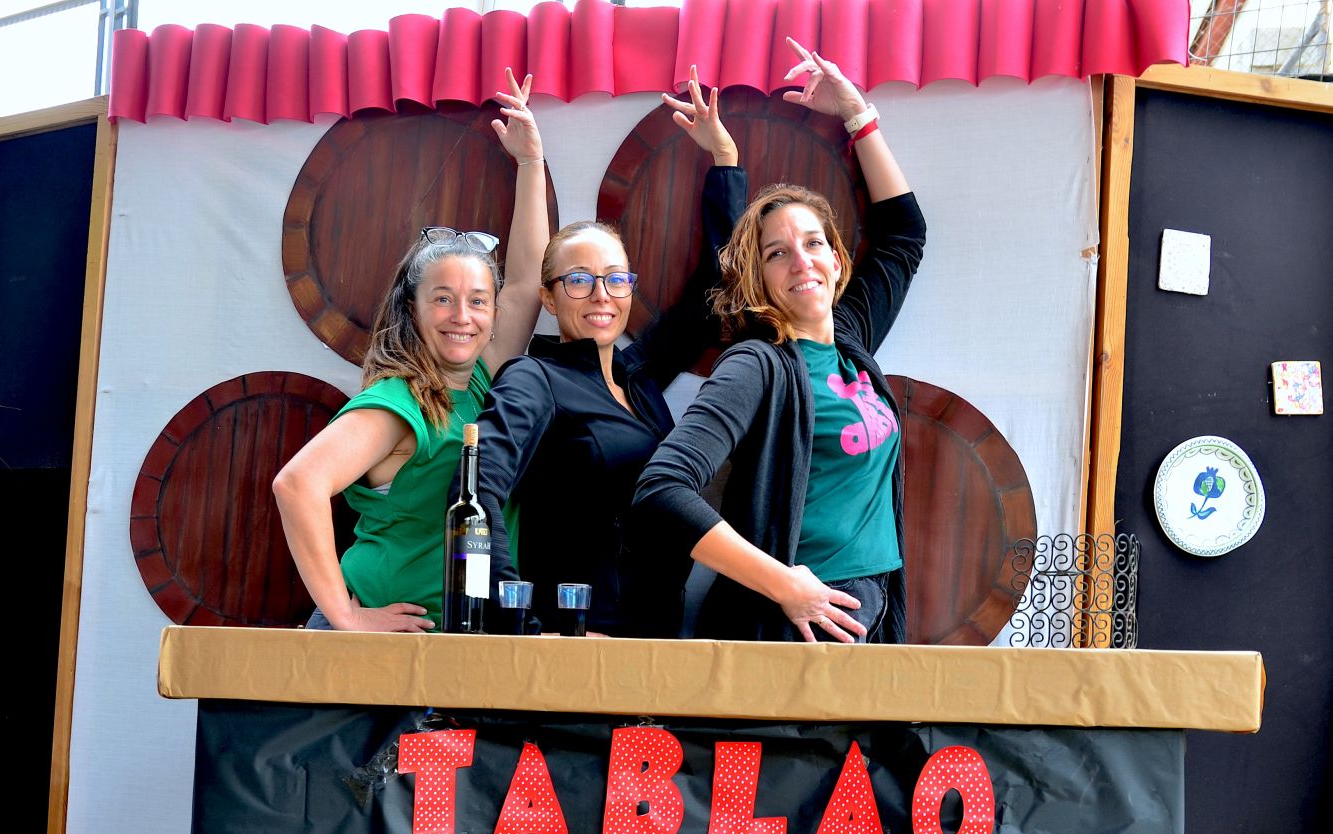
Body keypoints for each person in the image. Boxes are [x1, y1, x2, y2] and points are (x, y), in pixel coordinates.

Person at [633, 39, 925, 644]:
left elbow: (903, 233)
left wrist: (857, 115)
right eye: (777, 253)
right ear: (757, 277)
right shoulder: (759, 365)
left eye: (814, 243)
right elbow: (663, 487)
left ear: (838, 259)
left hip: (866, 607)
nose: (801, 261)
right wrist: (784, 584)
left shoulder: (851, 340)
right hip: (788, 624)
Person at [472, 68, 747, 638]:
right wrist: (518, 625)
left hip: (657, 635)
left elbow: (708, 293)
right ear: (548, 298)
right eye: (579, 280)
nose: (601, 295)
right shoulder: (533, 378)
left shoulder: (639, 376)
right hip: (578, 642)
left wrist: (724, 160)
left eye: (616, 279)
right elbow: (474, 492)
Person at [272, 69, 548, 632]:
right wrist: (348, 617)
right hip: (382, 644)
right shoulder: (398, 403)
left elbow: (525, 283)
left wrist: (530, 163)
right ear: (413, 308)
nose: (462, 317)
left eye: (477, 301)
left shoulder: (482, 381)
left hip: (451, 635)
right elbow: (296, 485)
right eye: (442, 299)